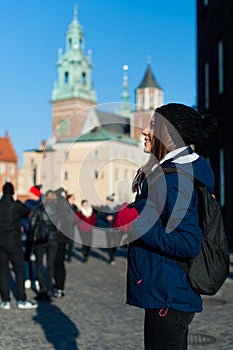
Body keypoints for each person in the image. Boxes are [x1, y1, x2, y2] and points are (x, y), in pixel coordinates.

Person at [113, 103, 218, 349]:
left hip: (168, 295)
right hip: (166, 292)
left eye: (152, 125)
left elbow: (188, 243)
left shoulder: (174, 180)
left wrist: (135, 224)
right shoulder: (172, 173)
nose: (144, 131)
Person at [0, 182, 38, 309]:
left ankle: (5, 300)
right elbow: (28, 212)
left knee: (3, 272)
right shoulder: (15, 206)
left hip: (1, 243)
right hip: (14, 243)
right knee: (19, 271)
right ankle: (22, 299)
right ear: (12, 192)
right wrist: (16, 200)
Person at [31, 190, 59, 301]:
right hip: (53, 240)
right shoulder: (58, 210)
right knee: (50, 265)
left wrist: (33, 235)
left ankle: (41, 289)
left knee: (38, 265)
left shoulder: (39, 209)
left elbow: (33, 223)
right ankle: (48, 289)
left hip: (40, 240)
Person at [53, 189, 77, 298]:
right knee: (60, 263)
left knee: (55, 264)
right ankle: (60, 288)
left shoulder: (58, 207)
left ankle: (58, 287)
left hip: (57, 238)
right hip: (63, 238)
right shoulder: (68, 208)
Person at [21, 184, 42, 290]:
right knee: (26, 256)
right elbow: (22, 218)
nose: (28, 194)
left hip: (39, 234)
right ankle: (28, 278)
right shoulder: (27, 203)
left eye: (31, 192)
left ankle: (36, 279)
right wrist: (24, 226)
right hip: (27, 233)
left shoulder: (42, 204)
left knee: (37, 258)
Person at [97, 195, 119, 265]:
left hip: (115, 228)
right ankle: (111, 258)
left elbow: (118, 215)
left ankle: (113, 252)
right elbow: (100, 215)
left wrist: (113, 217)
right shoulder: (105, 207)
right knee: (109, 243)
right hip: (108, 227)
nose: (107, 201)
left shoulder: (116, 207)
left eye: (108, 200)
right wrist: (106, 217)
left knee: (116, 243)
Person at [65, 193, 78, 262]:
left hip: (72, 227)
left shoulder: (75, 207)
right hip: (65, 227)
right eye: (72, 198)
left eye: (74, 199)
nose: (74, 200)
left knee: (71, 243)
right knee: (64, 243)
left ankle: (69, 257)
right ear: (68, 199)